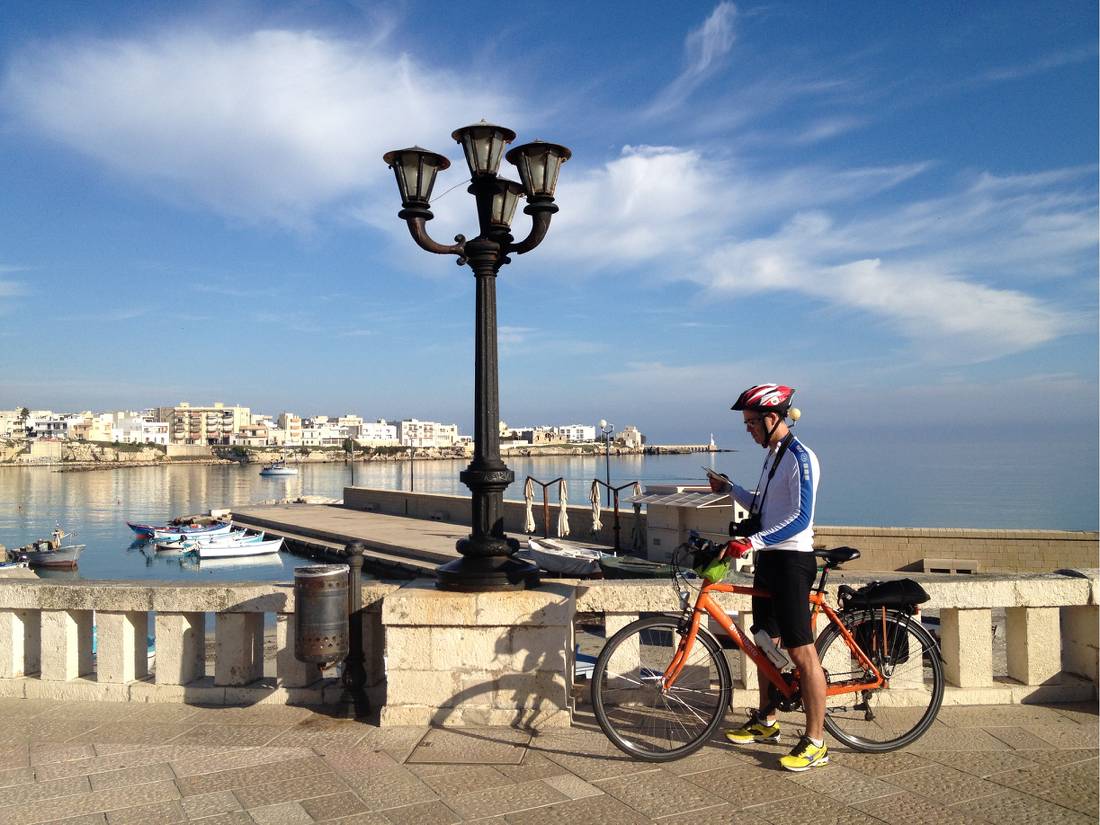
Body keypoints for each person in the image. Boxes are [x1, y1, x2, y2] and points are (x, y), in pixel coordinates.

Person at [712, 383, 828, 772]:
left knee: (800, 651)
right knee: (764, 644)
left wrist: (751, 542)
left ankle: (815, 741)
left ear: (772, 417)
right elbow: (764, 507)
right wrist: (732, 490)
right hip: (769, 559)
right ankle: (767, 720)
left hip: (792, 562)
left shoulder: (801, 457)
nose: (748, 431)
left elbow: (800, 518)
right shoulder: (774, 455)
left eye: (750, 423)